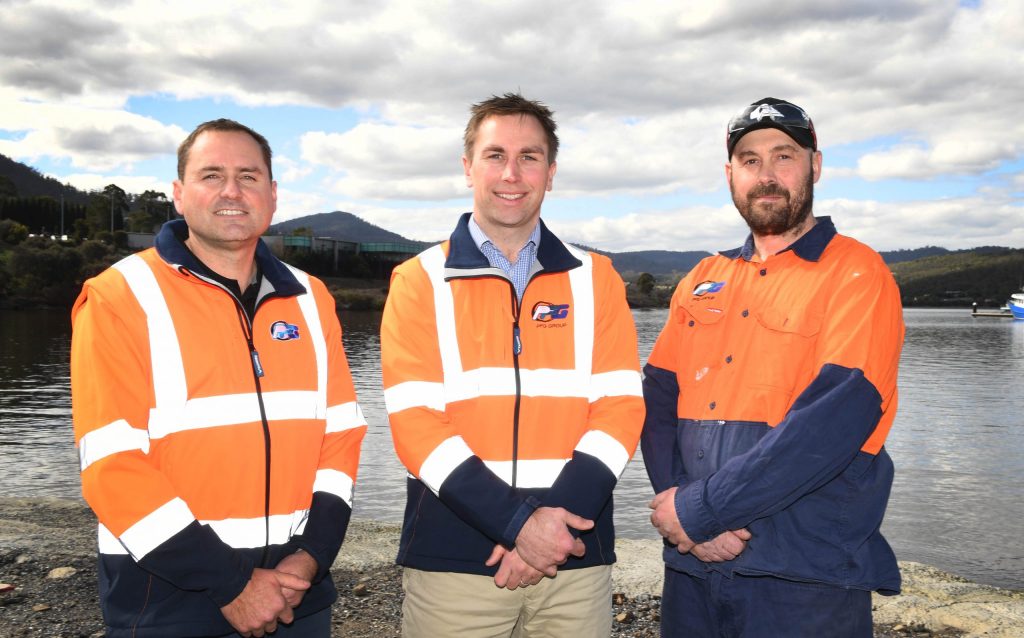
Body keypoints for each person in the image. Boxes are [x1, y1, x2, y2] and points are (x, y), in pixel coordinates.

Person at [70, 119, 367, 637]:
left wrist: (311, 558)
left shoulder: (310, 297)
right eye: (212, 175)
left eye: (249, 176)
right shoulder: (120, 296)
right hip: (168, 598)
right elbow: (111, 465)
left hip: (298, 594)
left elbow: (340, 440)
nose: (232, 191)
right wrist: (232, 584)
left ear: (272, 195)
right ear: (180, 194)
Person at [380, 92, 645, 637]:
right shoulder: (419, 279)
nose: (512, 173)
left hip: (575, 552)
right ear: (468, 167)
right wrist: (519, 525)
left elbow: (620, 409)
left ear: (550, 173)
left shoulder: (597, 279)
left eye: (530, 157)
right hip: (455, 560)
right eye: (495, 154)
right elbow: (415, 424)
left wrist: (552, 527)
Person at [641, 97, 905, 637]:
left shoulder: (856, 273)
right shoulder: (701, 278)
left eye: (784, 156)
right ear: (730, 174)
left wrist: (700, 511)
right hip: (693, 566)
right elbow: (656, 403)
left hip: (804, 575)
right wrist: (681, 510)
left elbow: (835, 421)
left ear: (816, 165)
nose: (766, 175)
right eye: (750, 160)